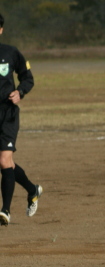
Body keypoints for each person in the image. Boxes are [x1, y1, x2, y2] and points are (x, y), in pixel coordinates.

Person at [0, 12, 42, 226]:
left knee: (4, 160)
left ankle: (5, 211)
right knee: (6, 163)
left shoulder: (11, 52)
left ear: (1, 30)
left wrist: (20, 92)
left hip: (7, 114)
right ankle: (32, 189)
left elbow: (27, 77)